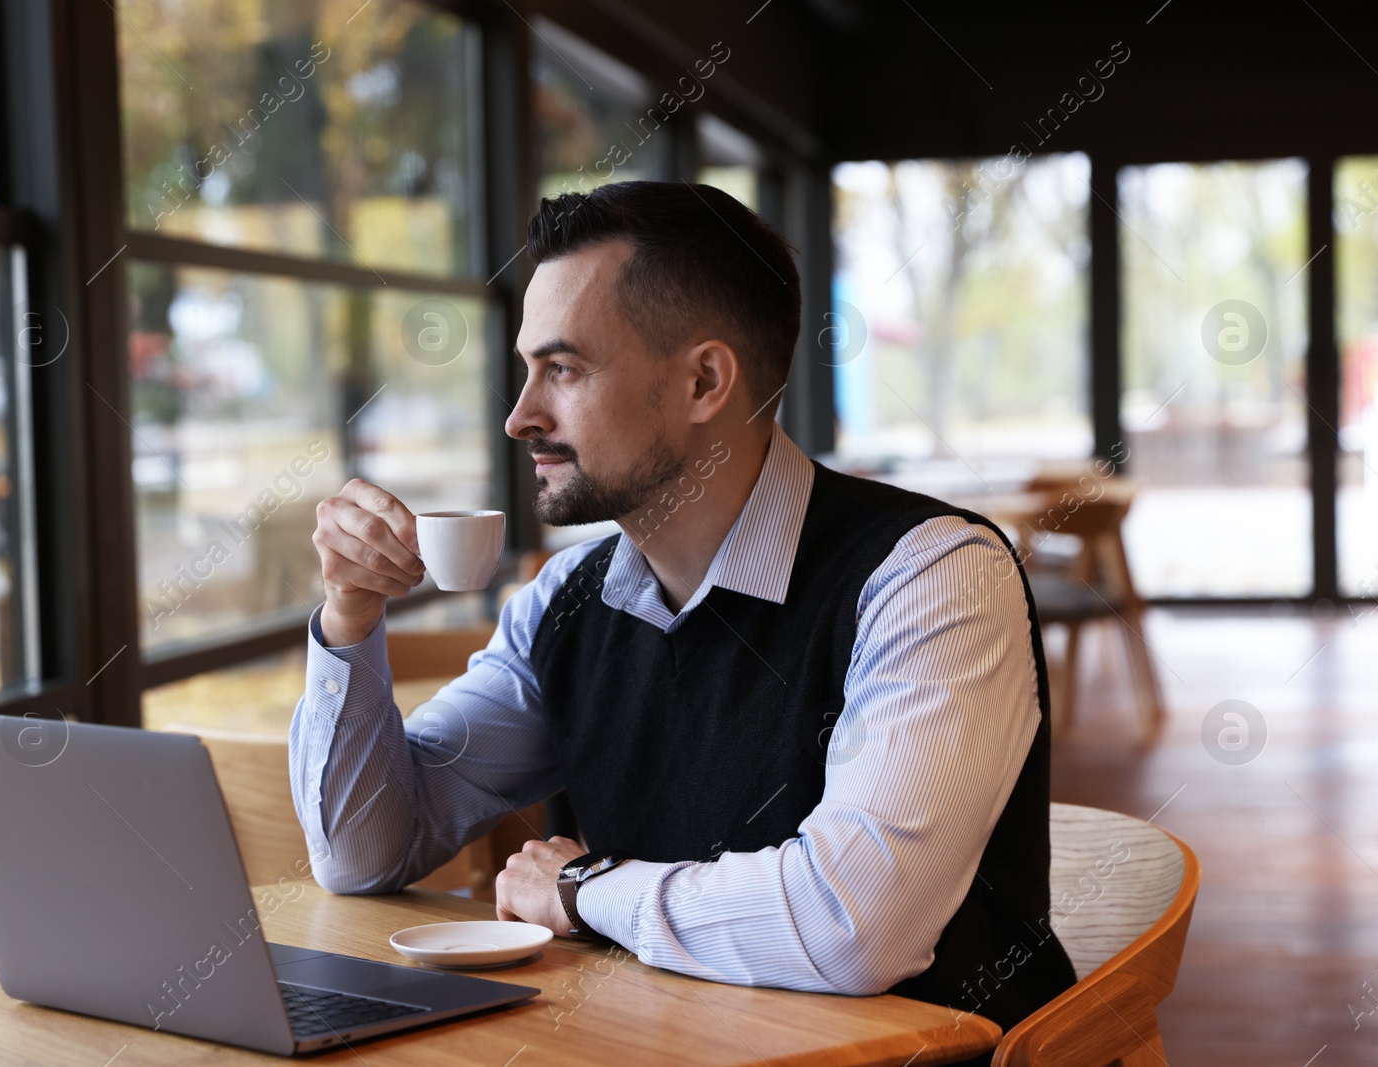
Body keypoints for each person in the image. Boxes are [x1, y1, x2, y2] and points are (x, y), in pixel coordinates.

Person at [290, 180, 1075, 1030]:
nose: (520, 417)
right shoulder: (563, 601)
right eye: (527, 371)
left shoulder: (932, 576)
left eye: (563, 368)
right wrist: (349, 616)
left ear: (705, 381)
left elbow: (855, 927)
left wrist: (587, 887)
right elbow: (365, 853)